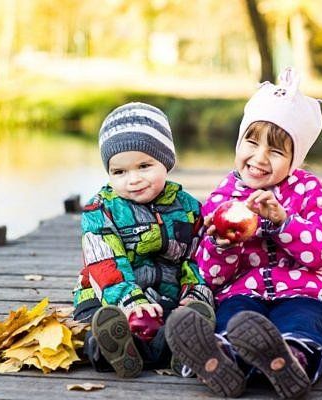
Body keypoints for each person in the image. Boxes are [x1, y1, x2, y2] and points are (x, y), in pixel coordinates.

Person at [165, 68, 322, 399]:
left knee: (307, 322)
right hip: (241, 293)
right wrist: (222, 243)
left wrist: (284, 223)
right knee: (233, 321)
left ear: (295, 158)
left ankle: (292, 361)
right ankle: (221, 361)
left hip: (305, 293)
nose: (259, 158)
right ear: (239, 140)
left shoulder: (309, 190)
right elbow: (210, 275)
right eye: (251, 141)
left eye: (276, 151)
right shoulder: (223, 197)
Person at [72, 102, 215, 378]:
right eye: (120, 172)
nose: (133, 179)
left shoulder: (188, 208)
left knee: (181, 320)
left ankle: (172, 348)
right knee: (97, 329)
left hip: (164, 297)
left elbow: (197, 258)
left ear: (166, 161)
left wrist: (195, 293)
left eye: (144, 166)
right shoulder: (100, 210)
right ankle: (118, 349)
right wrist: (131, 302)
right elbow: (105, 264)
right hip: (106, 298)